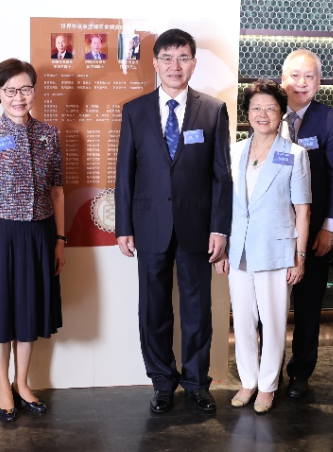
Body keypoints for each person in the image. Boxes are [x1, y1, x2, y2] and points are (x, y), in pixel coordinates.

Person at [114, 28, 232, 415]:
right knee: (153, 309)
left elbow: (221, 176)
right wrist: (123, 226)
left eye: (182, 58)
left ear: (193, 63)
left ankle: (197, 382)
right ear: (155, 63)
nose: (174, 66)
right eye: (167, 58)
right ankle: (162, 381)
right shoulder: (135, 110)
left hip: (197, 227)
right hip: (149, 225)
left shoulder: (212, 110)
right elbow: (125, 174)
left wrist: (220, 227)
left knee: (198, 308)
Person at [0, 59, 65, 422]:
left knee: (28, 311)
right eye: (10, 90)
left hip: (39, 235)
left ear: (34, 91)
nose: (18, 97)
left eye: (25, 89)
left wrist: (60, 239)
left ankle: (22, 383)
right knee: (1, 313)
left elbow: (57, 191)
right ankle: (3, 386)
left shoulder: (48, 134)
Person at [216, 79, 309, 413]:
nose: (263, 114)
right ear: (247, 113)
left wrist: (299, 256)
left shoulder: (295, 154)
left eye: (270, 108)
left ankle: (268, 385)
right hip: (239, 249)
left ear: (281, 112)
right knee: (242, 320)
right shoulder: (234, 151)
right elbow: (226, 204)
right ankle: (248, 381)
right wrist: (223, 248)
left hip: (276, 251)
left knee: (273, 322)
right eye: (256, 108)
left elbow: (303, 210)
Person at [278, 49, 333, 399]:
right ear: (282, 80)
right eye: (295, 75)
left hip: (314, 230)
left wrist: (329, 228)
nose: (301, 83)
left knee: (308, 306)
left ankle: (301, 372)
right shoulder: (268, 111)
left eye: (309, 76)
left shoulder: (331, 120)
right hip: (273, 230)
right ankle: (267, 370)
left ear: (319, 82)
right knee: (269, 307)